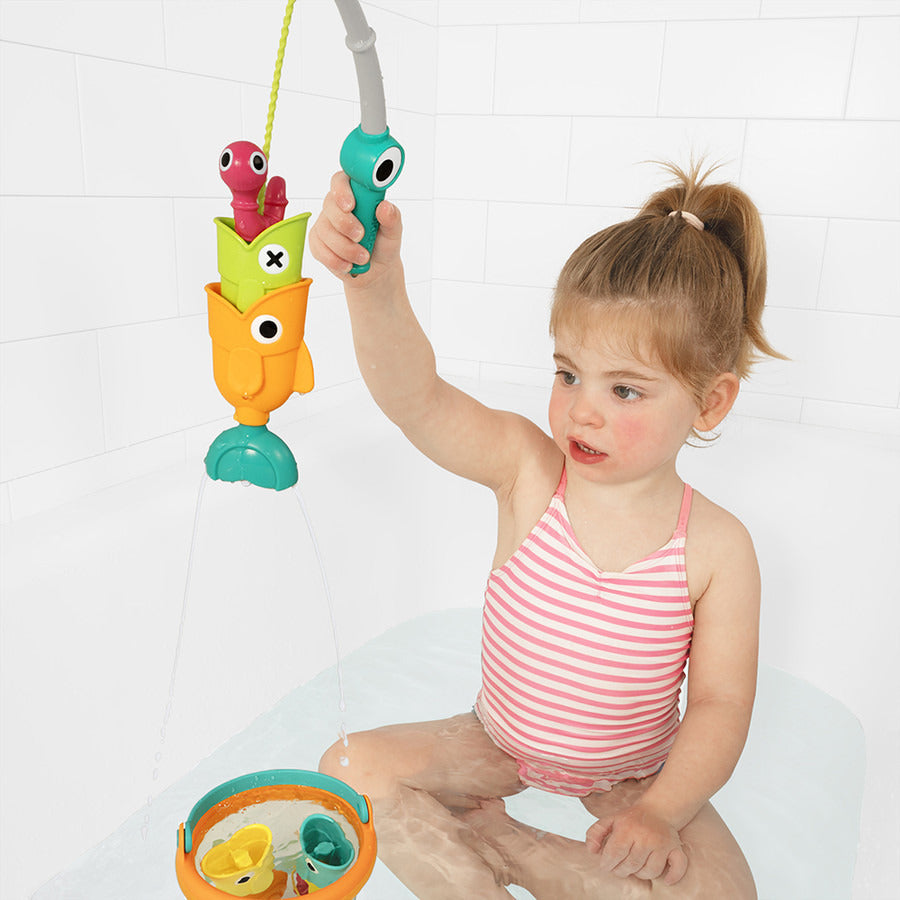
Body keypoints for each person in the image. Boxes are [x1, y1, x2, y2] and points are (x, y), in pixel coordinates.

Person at [309, 161, 777, 899]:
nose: (583, 410)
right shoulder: (528, 471)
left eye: (624, 389)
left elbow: (721, 707)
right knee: (347, 771)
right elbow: (416, 399)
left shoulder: (717, 548)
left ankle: (509, 844)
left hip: (633, 774)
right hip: (496, 744)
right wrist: (374, 286)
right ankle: (479, 875)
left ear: (711, 402)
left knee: (726, 895)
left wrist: (659, 812)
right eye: (568, 374)